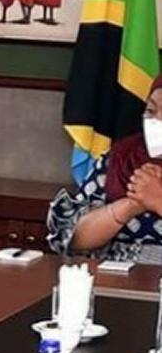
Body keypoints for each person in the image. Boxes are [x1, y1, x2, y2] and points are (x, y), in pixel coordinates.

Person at [48, 77, 162, 262]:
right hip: (116, 273)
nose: (156, 121)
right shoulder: (122, 158)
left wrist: (157, 201)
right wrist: (132, 204)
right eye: (151, 111)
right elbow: (75, 240)